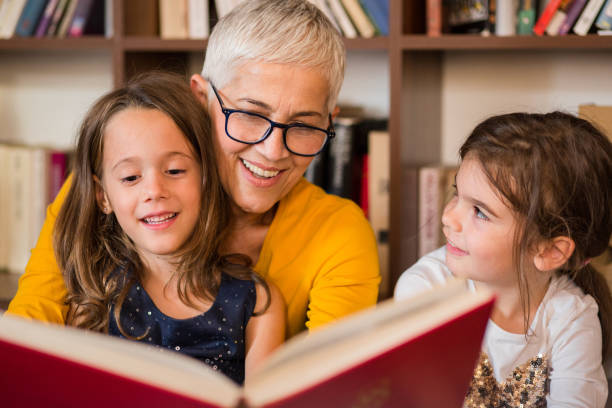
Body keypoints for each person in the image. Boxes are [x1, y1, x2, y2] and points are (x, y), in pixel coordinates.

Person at [7, 0, 380, 339]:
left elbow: (329, 385)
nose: (272, 151)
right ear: (202, 98)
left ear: (330, 122)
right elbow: (31, 329)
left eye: (303, 125)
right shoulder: (120, 187)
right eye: (250, 115)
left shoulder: (338, 233)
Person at [51, 71, 285, 384]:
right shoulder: (94, 301)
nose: (155, 190)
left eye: (175, 170)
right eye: (131, 177)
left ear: (206, 176)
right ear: (102, 196)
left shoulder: (257, 303)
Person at [395, 112, 612, 406]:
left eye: (480, 212)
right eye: (458, 194)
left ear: (550, 251)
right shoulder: (424, 290)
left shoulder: (572, 319)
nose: (449, 218)